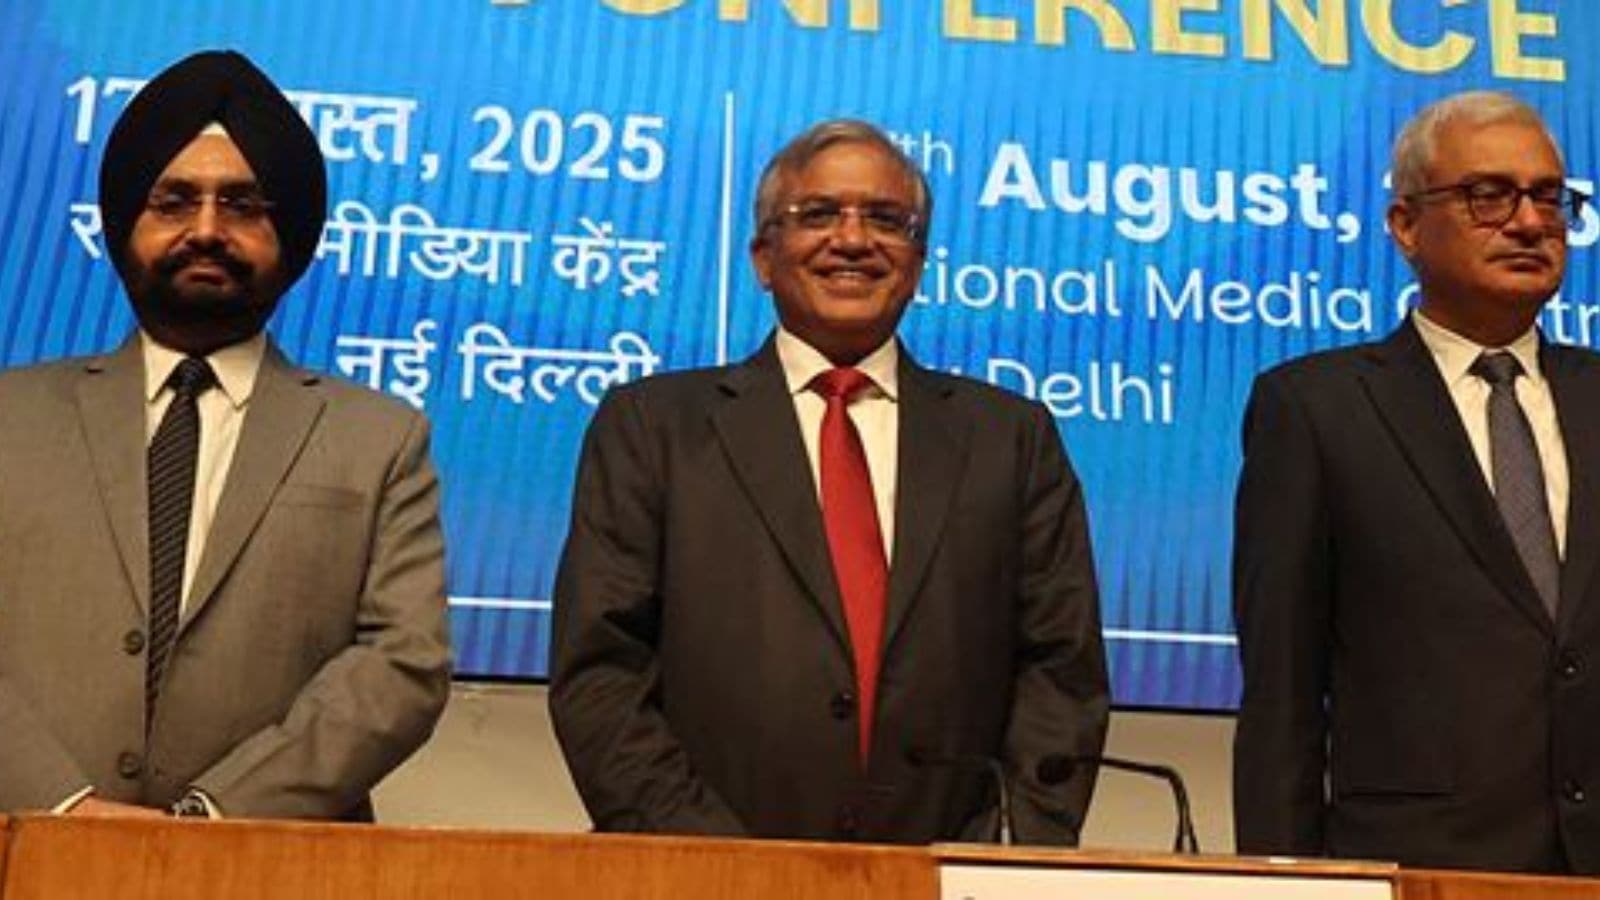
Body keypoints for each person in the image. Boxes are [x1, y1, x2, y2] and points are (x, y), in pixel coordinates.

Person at [549, 119, 1109, 844]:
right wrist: (716, 865)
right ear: (762, 256)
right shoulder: (653, 429)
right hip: (703, 878)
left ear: (918, 259)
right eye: (818, 215)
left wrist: (995, 861)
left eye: (885, 219)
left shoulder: (1012, 439)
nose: (852, 239)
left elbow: (1061, 674)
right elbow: (601, 672)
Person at [0, 50, 451, 820]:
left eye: (243, 206)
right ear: (123, 225)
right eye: (174, 201)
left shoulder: (380, 440)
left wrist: (214, 818)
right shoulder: (12, 416)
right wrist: (63, 808)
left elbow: (402, 662)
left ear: (292, 236)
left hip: (273, 866)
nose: (206, 230)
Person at [1233, 91, 1600, 872]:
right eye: (1489, 196)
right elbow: (1282, 695)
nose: (1531, 223)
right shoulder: (1316, 409)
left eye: (1549, 198)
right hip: (1418, 868)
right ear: (1404, 226)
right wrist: (1284, 887)